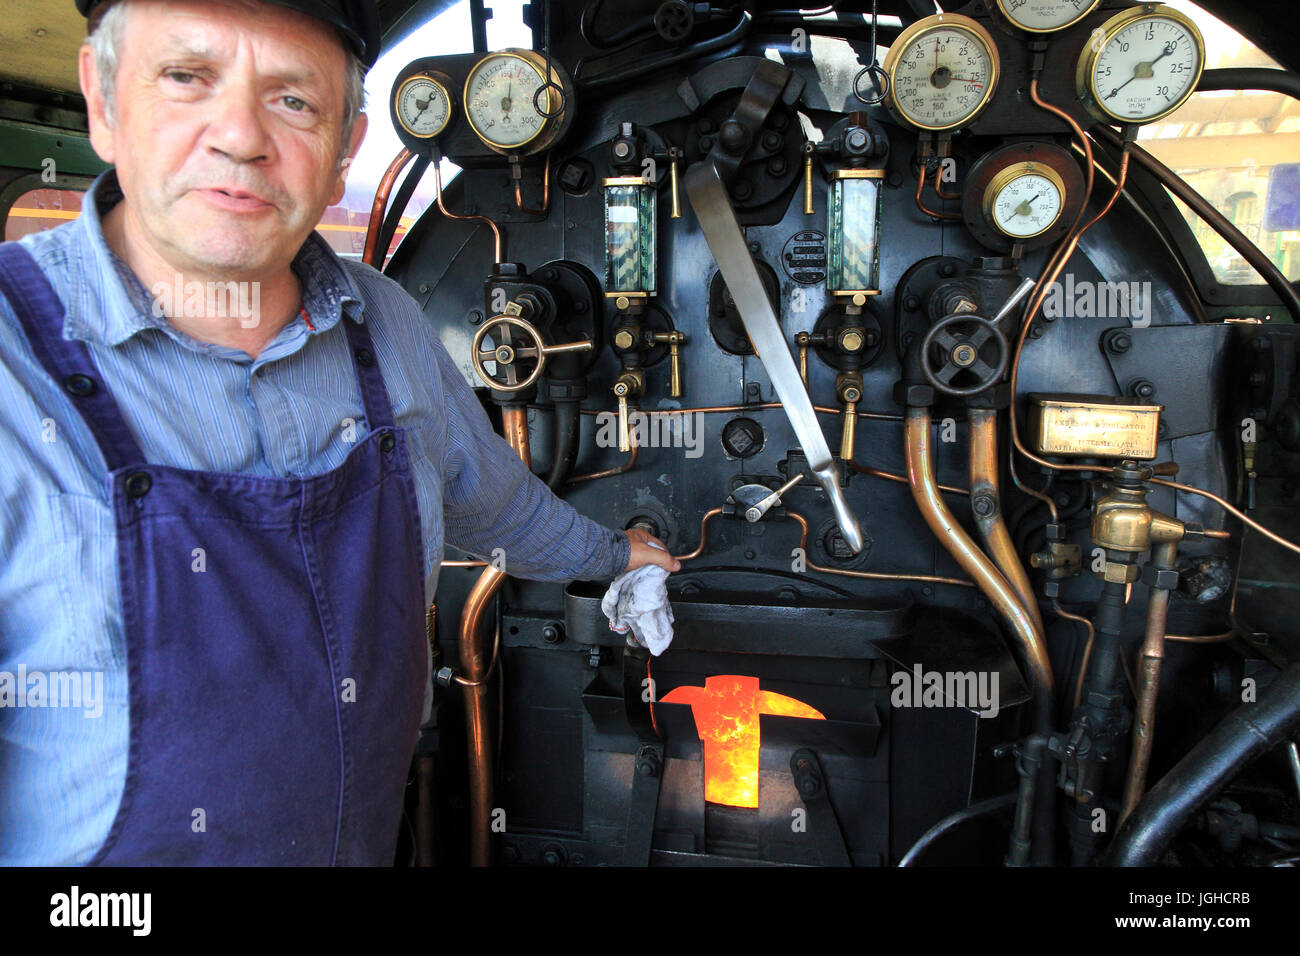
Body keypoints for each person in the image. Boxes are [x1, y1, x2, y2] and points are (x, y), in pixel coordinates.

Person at [0, 0, 679, 866]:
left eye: (293, 100)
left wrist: (616, 558)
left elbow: (496, 505)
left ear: (346, 147)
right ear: (101, 102)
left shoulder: (384, 322)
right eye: (186, 77)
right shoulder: (13, 362)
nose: (240, 137)